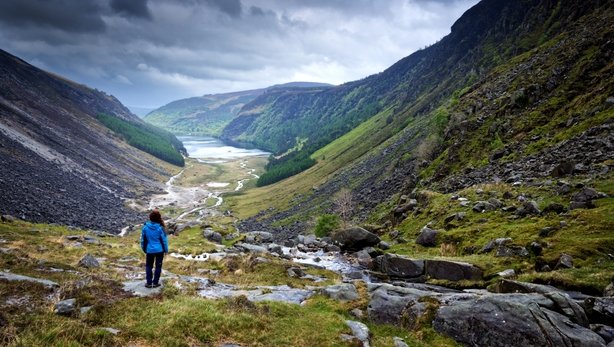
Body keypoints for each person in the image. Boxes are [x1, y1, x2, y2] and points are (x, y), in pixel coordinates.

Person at [140, 209, 168, 288]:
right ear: (159, 218)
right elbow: (164, 241)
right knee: (158, 267)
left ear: (150, 218)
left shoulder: (145, 227)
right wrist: (166, 250)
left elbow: (142, 240)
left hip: (149, 250)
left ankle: (149, 283)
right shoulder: (161, 228)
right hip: (159, 250)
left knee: (149, 266)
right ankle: (155, 283)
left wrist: (144, 249)